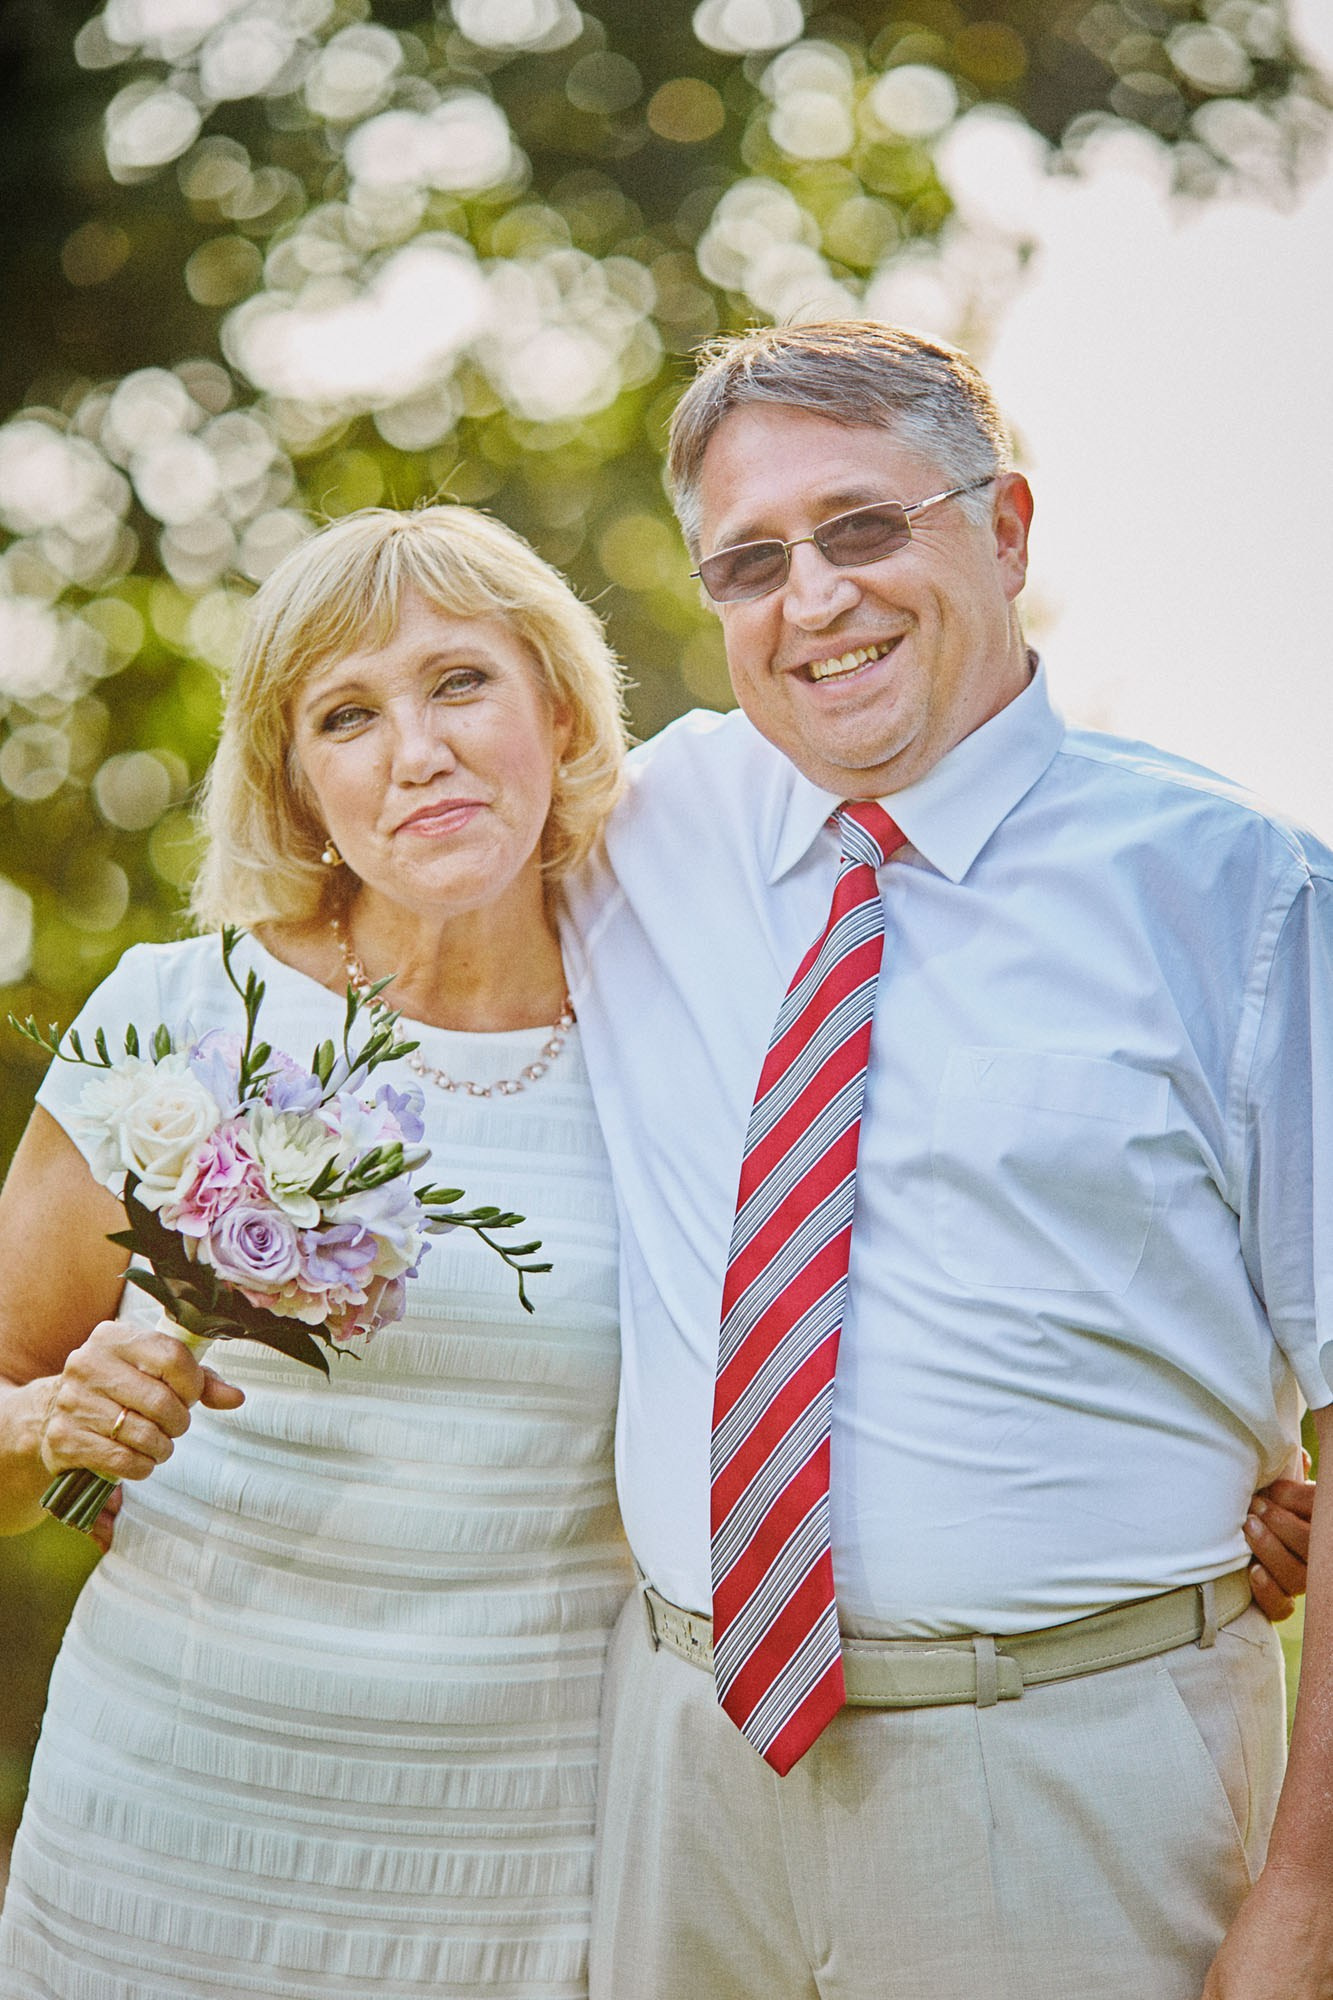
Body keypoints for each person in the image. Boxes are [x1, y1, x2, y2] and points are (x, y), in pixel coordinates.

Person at [564, 322, 1332, 2000]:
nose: (813, 599)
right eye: (749, 562)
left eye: (861, 527)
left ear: (1004, 528)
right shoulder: (634, 835)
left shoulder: (1239, 895)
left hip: (1072, 1775)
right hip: (685, 1769)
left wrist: (1307, 1904)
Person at [0, 505, 634, 1999]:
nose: (416, 751)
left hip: (528, 1869)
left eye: (459, 684)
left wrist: (1221, 1484)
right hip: (167, 1837)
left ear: (555, 705)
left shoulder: (680, 1034)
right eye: (348, 715)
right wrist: (49, 1423)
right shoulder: (179, 1014)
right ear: (297, 778)